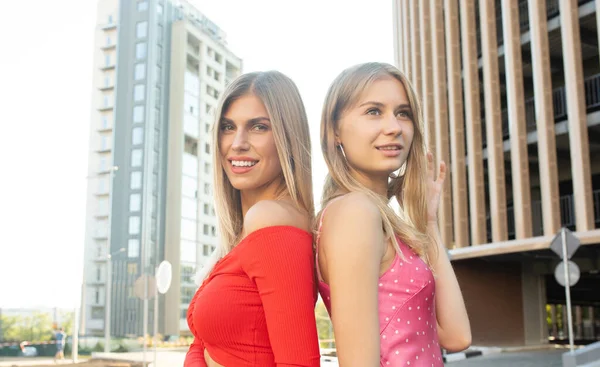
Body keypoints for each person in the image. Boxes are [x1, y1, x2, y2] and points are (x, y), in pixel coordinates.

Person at [315, 62, 471, 366]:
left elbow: (456, 336)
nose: (394, 127)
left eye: (403, 113)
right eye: (374, 111)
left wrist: (428, 222)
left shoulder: (376, 217)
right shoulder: (354, 213)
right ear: (335, 131)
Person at [184, 71, 320, 367]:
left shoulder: (270, 218)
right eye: (228, 127)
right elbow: (202, 342)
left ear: (287, 137)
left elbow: (298, 362)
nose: (238, 143)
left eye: (259, 127)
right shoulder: (246, 230)